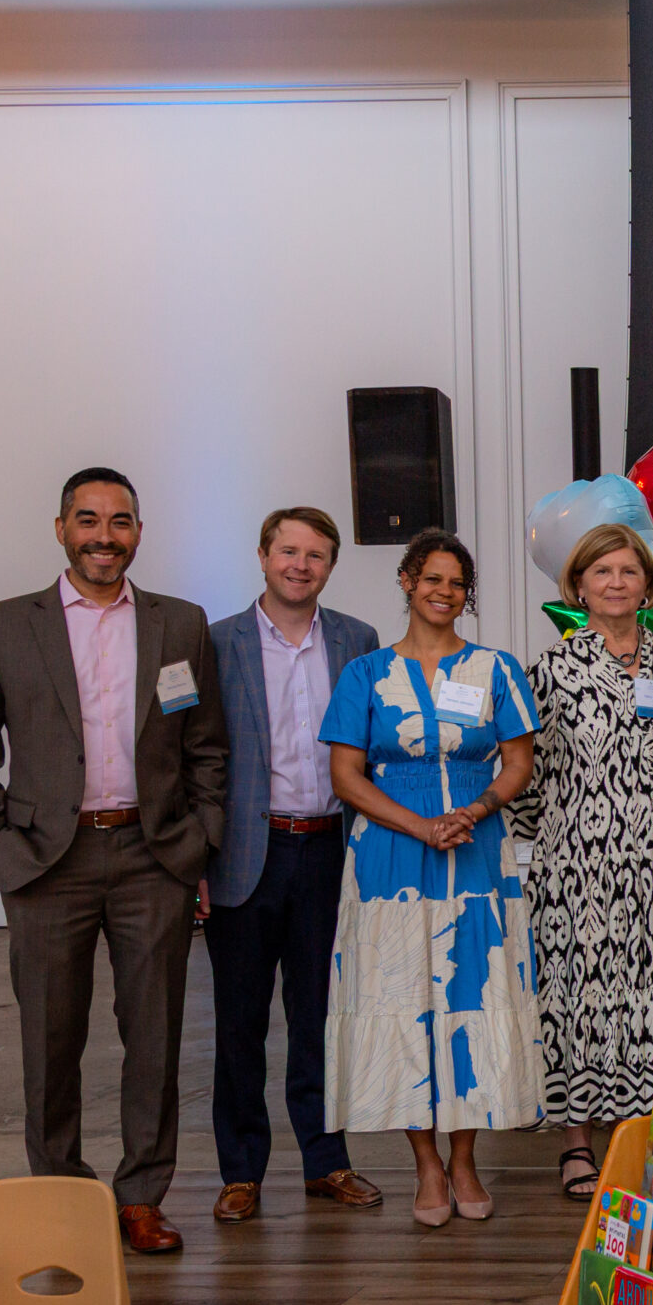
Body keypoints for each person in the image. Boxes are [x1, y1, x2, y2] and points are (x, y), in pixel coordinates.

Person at [0, 467, 226, 1255]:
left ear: (139, 530)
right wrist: (3, 855)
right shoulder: (4, 625)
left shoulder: (179, 623)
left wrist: (197, 840)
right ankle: (63, 1196)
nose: (105, 535)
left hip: (152, 857)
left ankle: (141, 1196)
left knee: (156, 1035)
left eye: (120, 520)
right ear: (61, 528)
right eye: (89, 519)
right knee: (50, 1039)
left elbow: (206, 745)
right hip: (46, 863)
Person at [321, 529, 543, 1227]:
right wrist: (421, 827)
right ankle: (425, 1161)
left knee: (469, 994)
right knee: (402, 993)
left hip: (475, 849)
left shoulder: (496, 668)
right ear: (407, 581)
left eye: (456, 583)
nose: (444, 592)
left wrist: (473, 809)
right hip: (389, 856)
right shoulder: (364, 673)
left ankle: (465, 1157)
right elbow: (345, 776)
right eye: (432, 579)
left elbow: (518, 762)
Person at [204, 507, 385, 1224]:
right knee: (239, 1022)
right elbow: (191, 757)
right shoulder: (215, 642)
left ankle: (325, 1160)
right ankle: (240, 1172)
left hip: (328, 850)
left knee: (320, 1017)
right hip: (245, 854)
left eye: (315, 555)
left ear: (330, 566)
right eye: (288, 551)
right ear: (262, 555)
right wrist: (193, 858)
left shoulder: (356, 641)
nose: (300, 565)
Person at [515, 524, 653, 1202]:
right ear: (578, 586)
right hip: (577, 869)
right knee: (579, 1000)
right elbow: (526, 773)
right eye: (602, 572)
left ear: (648, 583)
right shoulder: (550, 669)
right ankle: (577, 1144)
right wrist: (536, 855)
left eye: (629, 570)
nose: (617, 583)